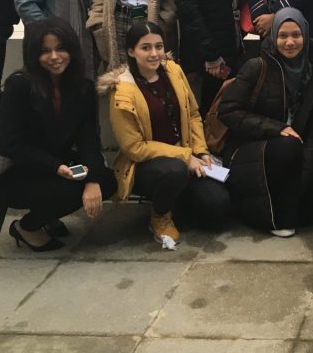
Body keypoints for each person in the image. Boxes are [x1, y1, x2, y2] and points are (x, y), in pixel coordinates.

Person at [98, 22, 231, 249]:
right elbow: (135, 148)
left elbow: (192, 114)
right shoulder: (123, 91)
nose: (154, 54)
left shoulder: (173, 71)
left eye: (158, 46)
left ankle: (179, 200)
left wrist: (200, 151)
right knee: (174, 169)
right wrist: (185, 156)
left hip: (187, 154)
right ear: (131, 51)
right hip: (149, 166)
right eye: (145, 48)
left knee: (218, 209)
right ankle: (160, 215)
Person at [0, 18, 117, 251]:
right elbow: (11, 144)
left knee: (107, 180)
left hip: (61, 165)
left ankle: (48, 216)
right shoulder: (19, 86)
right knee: (69, 189)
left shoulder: (82, 88)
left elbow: (88, 139)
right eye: (45, 51)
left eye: (60, 48)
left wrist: (92, 177)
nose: (54, 57)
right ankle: (27, 226)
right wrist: (56, 167)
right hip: (22, 171)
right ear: (33, 55)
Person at [218, 8, 313, 236]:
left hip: (296, 152)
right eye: (282, 36)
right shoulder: (257, 66)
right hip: (252, 149)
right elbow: (228, 111)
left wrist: (306, 174)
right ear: (273, 37)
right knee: (287, 145)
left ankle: (283, 206)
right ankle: (276, 217)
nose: (290, 42)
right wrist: (278, 128)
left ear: (306, 35)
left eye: (296, 35)